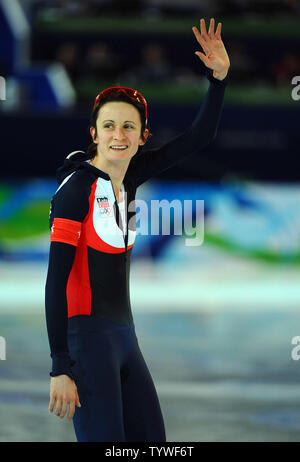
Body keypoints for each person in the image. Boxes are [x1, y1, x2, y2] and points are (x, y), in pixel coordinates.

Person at [45, 17, 230, 442]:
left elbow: (198, 137)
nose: (118, 135)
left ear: (142, 136)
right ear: (93, 133)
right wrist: (60, 366)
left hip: (126, 340)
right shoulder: (76, 190)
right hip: (86, 344)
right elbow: (56, 282)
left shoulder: (131, 178)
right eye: (109, 125)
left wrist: (219, 80)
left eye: (129, 126)